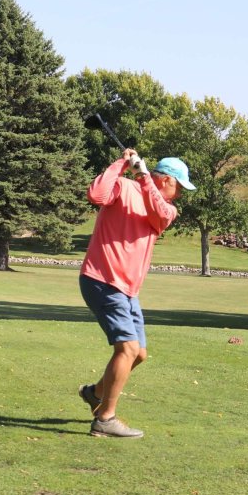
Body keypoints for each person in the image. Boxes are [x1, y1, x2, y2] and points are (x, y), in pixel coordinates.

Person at [78, 148, 196, 438]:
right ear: (166, 180)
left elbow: (159, 213)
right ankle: (105, 418)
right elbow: (95, 195)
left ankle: (95, 394)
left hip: (128, 289)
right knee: (127, 349)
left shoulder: (167, 209)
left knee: (139, 354)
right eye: (178, 187)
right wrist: (121, 163)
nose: (179, 194)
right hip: (103, 278)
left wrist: (144, 176)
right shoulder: (123, 186)